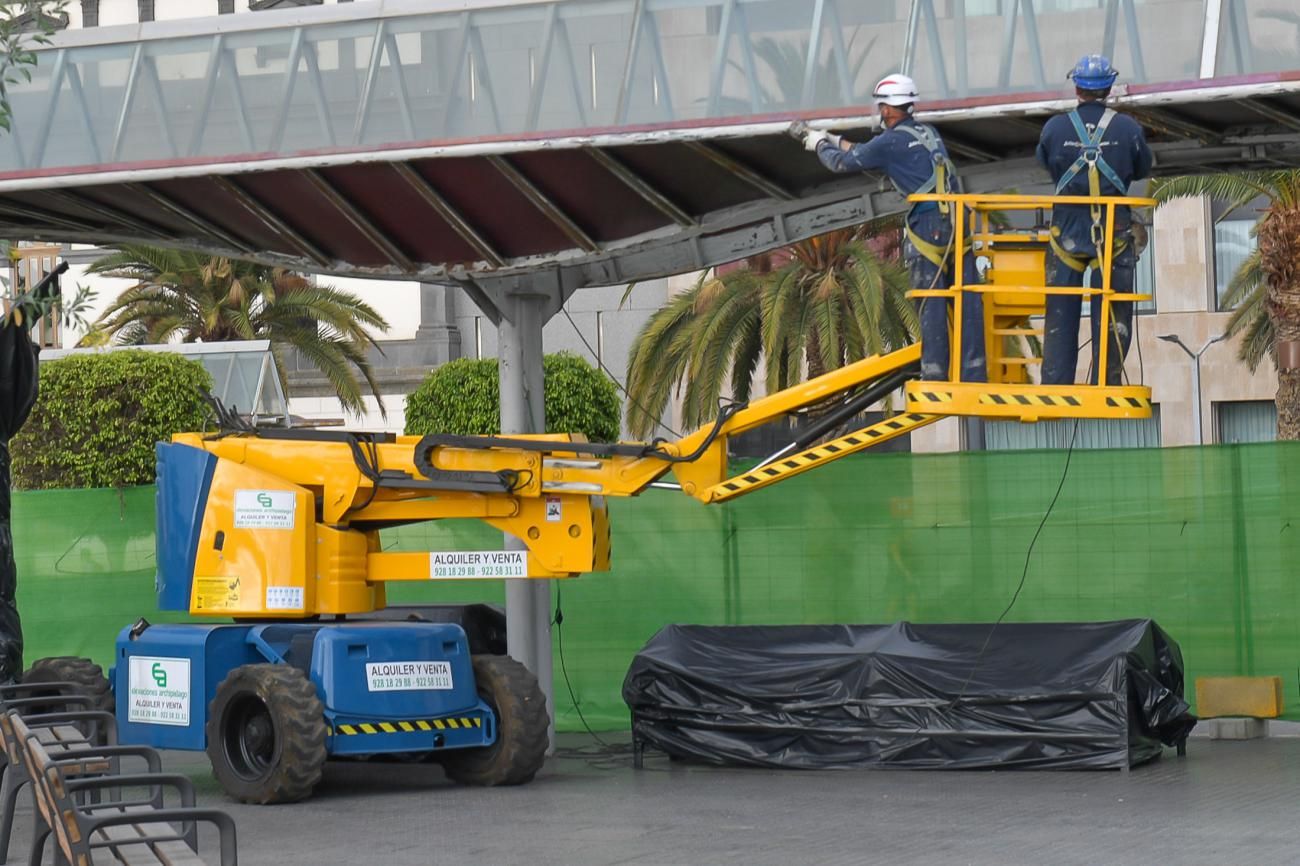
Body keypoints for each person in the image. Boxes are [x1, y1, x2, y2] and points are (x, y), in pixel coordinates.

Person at [791, 74, 985, 383]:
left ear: (890, 108)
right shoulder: (926, 132)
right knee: (966, 296)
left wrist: (819, 146)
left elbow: (843, 163)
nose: (881, 112)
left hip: (930, 223)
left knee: (930, 296)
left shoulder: (891, 141)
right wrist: (832, 137)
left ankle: (935, 372)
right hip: (957, 219)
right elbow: (869, 150)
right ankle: (975, 371)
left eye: (882, 106)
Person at [1037, 54, 1153, 386]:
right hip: (1113, 229)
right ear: (1108, 88)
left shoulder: (1055, 127)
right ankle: (1107, 380)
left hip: (1067, 229)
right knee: (1114, 308)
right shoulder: (1128, 128)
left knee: (1061, 310)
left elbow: (1046, 161)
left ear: (1077, 87)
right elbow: (1142, 166)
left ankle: (1056, 382)